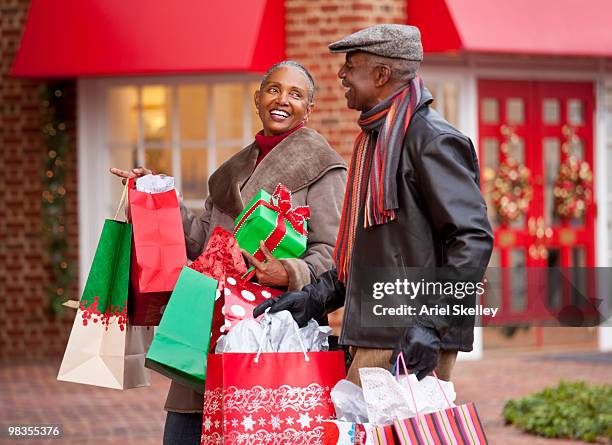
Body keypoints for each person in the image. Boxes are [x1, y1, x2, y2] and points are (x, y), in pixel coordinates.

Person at [111, 60, 347, 445]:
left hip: (271, 331)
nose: (281, 100)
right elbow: (199, 241)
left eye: (295, 94)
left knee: (253, 430)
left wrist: (287, 271)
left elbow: (333, 253)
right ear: (258, 98)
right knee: (184, 432)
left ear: (310, 108)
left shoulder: (324, 169)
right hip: (207, 324)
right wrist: (153, 191)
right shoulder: (231, 170)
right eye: (273, 89)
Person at [254, 25, 494, 386]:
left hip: (409, 337)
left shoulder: (431, 139)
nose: (341, 74)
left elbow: (473, 239)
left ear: (382, 75)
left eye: (352, 65)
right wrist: (315, 298)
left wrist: (430, 323)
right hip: (377, 332)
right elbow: (367, 252)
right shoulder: (376, 141)